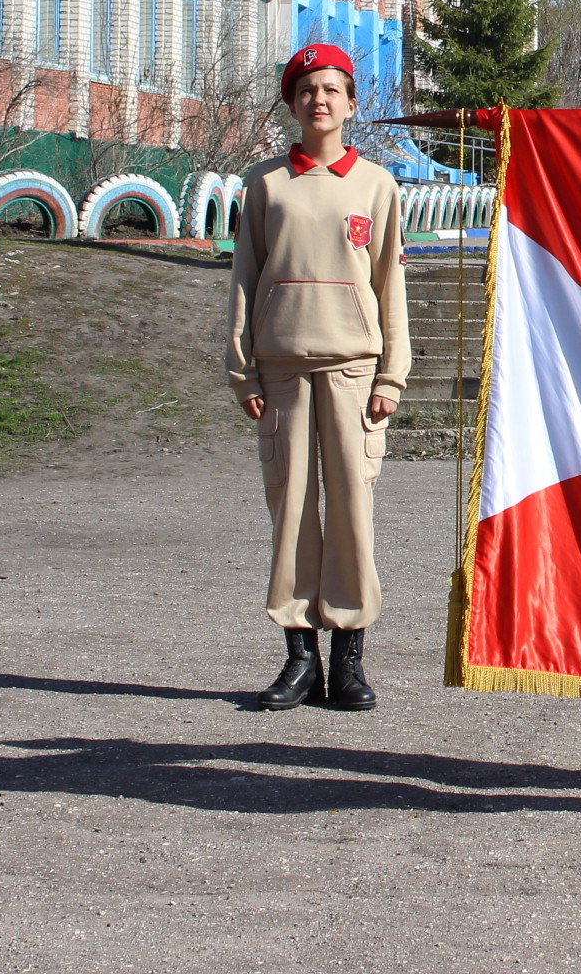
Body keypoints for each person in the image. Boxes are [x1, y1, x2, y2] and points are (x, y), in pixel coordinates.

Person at [229, 42, 409, 711]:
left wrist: (392, 374)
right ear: (291, 103)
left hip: (354, 371)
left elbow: (390, 285)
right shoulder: (265, 184)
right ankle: (299, 657)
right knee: (293, 513)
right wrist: (241, 370)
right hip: (280, 369)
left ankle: (350, 657)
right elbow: (244, 283)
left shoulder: (377, 186)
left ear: (352, 103)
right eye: (307, 90)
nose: (320, 101)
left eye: (332, 90)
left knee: (354, 515)